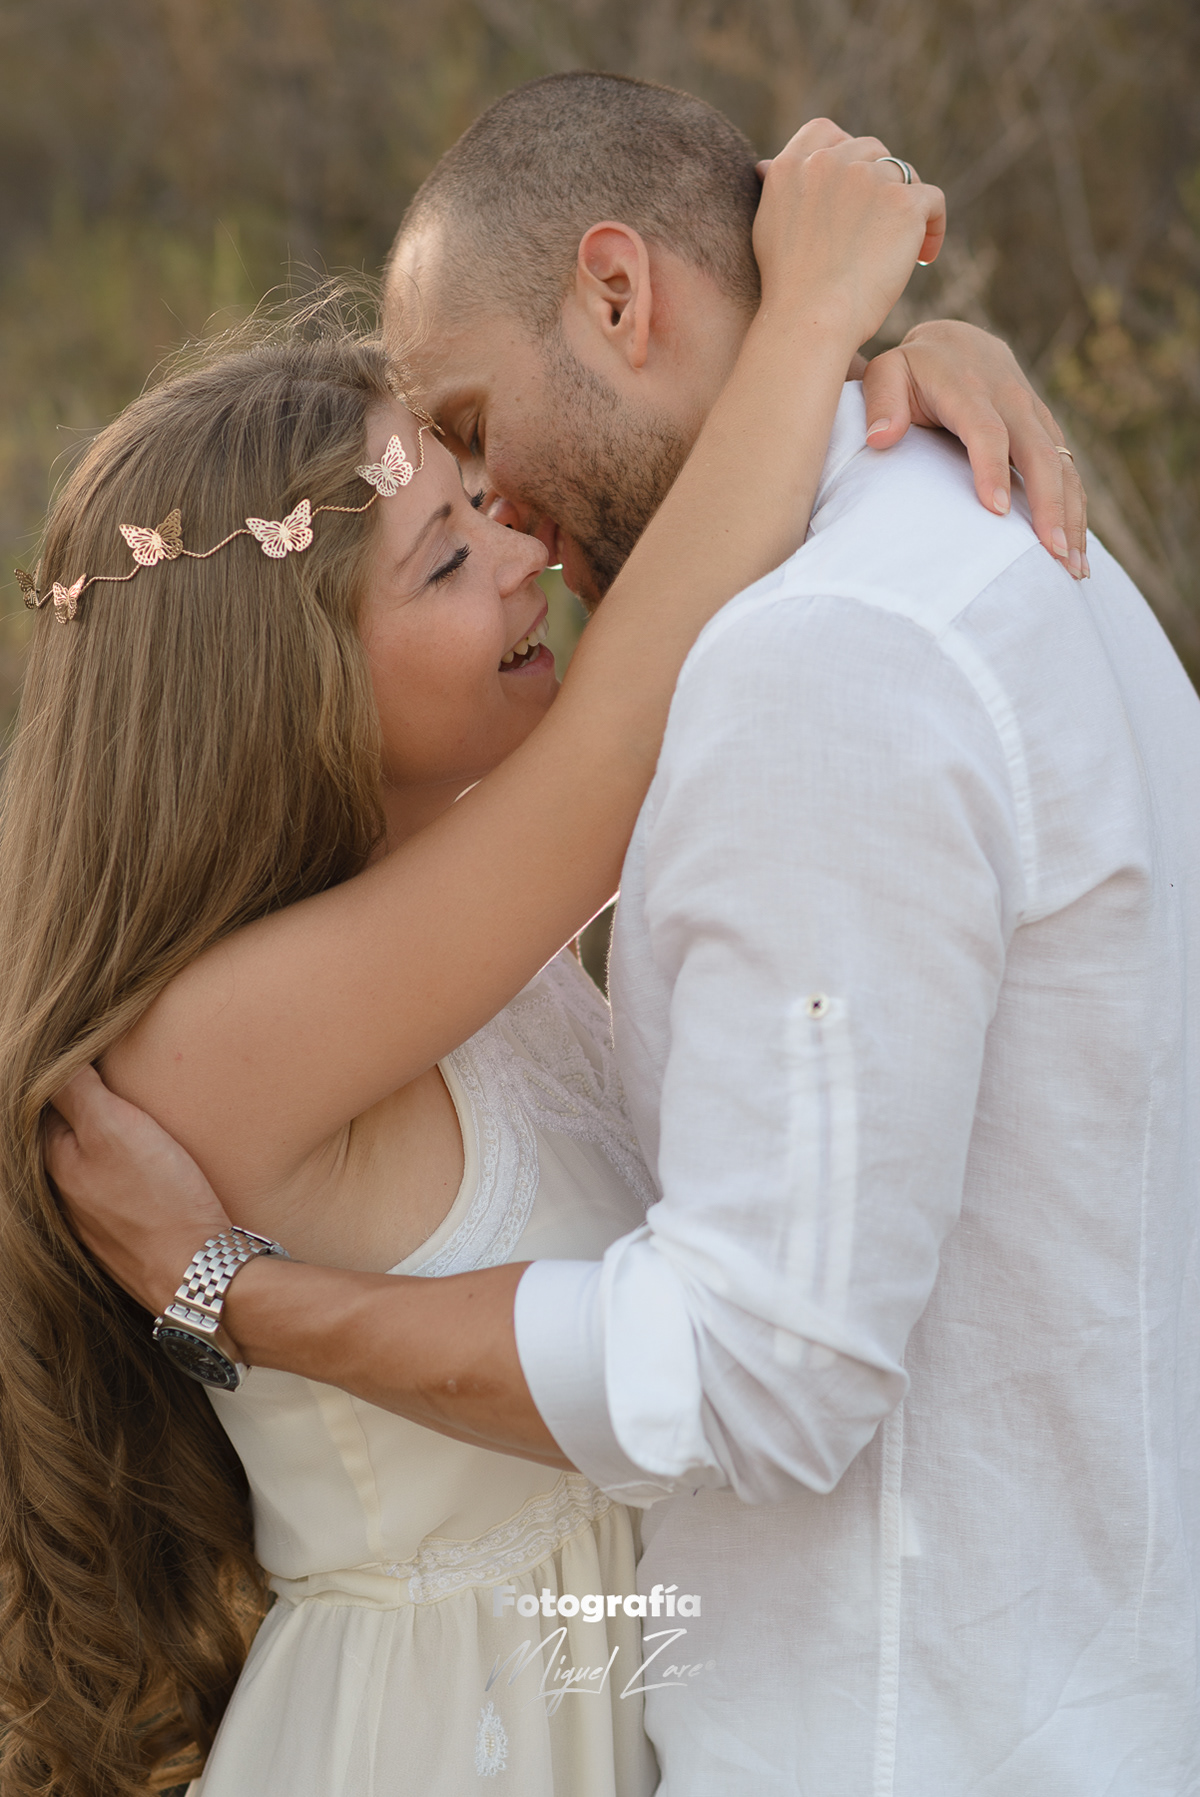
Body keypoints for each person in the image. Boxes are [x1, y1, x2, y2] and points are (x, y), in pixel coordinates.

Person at [52, 76, 1200, 1796]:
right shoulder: (218, 1033)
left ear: (614, 296)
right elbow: (620, 741)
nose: (517, 541)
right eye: (448, 553)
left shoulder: (497, 891)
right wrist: (817, 326)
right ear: (289, 692)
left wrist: (874, 374)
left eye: (474, 471)